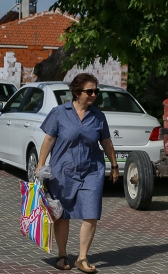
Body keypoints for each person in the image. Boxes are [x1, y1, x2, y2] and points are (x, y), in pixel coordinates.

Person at [35, 73, 118, 273]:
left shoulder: (98, 116)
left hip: (92, 171)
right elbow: (48, 140)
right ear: (76, 92)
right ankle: (62, 255)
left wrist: (114, 166)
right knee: (62, 215)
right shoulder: (59, 113)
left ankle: (82, 257)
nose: (93, 95)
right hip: (62, 171)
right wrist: (40, 165)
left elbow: (106, 142)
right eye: (89, 91)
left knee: (91, 213)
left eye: (96, 91)